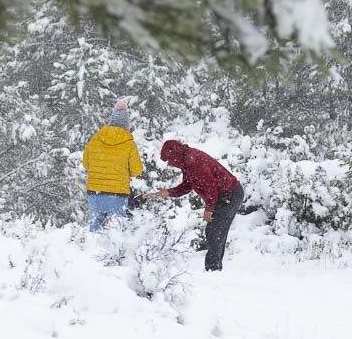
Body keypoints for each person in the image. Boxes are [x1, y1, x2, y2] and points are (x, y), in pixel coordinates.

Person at [143, 140, 244, 271]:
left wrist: (209, 209)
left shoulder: (194, 161)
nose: (170, 164)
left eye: (169, 160)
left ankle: (213, 270)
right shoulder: (187, 161)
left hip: (230, 195)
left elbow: (211, 188)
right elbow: (186, 186)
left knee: (214, 231)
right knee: (217, 231)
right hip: (225, 196)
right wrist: (167, 192)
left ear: (175, 154)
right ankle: (215, 269)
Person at [82, 100, 143, 231]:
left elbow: (86, 164)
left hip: (95, 192)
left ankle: (92, 250)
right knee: (115, 230)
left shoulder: (96, 139)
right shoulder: (128, 143)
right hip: (118, 193)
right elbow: (137, 170)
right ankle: (113, 252)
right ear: (126, 124)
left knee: (95, 227)